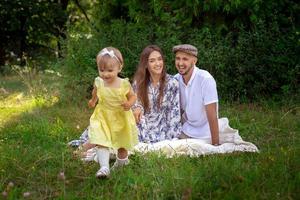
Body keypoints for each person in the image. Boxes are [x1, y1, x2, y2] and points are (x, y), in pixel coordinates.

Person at [88, 47, 138, 178]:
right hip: (102, 115)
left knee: (122, 144)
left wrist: (129, 104)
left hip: (120, 116)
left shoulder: (123, 84)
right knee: (100, 139)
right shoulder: (99, 81)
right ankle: (104, 167)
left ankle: (121, 163)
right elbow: (95, 91)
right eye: (101, 70)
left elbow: (133, 96)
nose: (105, 74)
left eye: (110, 70)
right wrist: (93, 101)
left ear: (119, 68)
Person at [132, 45, 181, 143]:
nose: (158, 63)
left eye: (159, 59)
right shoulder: (139, 83)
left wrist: (172, 136)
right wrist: (137, 107)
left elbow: (174, 112)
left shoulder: (172, 82)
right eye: (152, 61)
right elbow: (135, 103)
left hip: (164, 125)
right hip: (144, 124)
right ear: (145, 64)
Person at [173, 44, 220, 145]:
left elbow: (212, 115)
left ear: (194, 61)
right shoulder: (175, 79)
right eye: (177, 58)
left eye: (185, 59)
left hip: (205, 134)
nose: (180, 63)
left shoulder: (205, 79)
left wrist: (216, 144)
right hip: (186, 129)